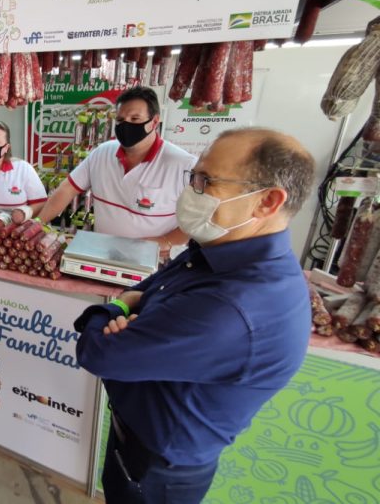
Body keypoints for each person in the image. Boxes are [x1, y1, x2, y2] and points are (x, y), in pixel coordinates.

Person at [74, 128, 315, 504]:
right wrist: (138, 307)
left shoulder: (232, 307)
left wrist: (119, 306)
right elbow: (152, 287)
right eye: (193, 178)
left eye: (206, 181)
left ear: (267, 201)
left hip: (158, 471)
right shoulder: (218, 250)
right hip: (136, 441)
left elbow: (98, 352)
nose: (191, 191)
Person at [37, 87, 196, 257]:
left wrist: (166, 241)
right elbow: (67, 189)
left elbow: (201, 220)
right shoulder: (102, 153)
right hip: (102, 256)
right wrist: (37, 224)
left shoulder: (183, 165)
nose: (126, 125)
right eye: (120, 120)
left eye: (135, 119)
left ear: (154, 121)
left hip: (151, 262)